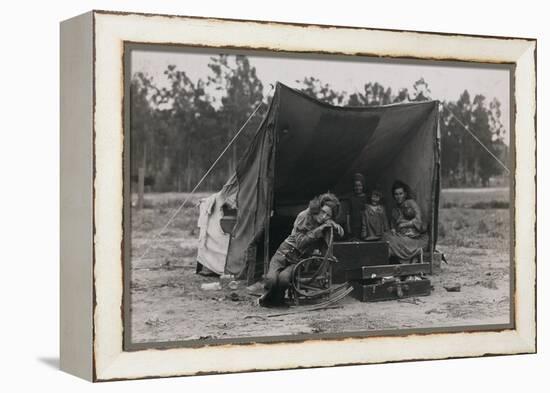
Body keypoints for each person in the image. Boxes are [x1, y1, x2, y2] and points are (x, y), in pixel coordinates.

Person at [259, 193, 344, 308]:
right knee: (271, 280)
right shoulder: (304, 216)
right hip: (283, 252)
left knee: (284, 279)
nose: (324, 217)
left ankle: (279, 301)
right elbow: (301, 242)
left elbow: (326, 243)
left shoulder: (324, 223)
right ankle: (266, 299)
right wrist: (319, 229)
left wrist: (334, 225)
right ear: (318, 208)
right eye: (323, 212)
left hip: (297, 259)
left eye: (328, 215)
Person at [382, 180, 429, 263]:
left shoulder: (411, 204)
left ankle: (415, 252)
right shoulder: (395, 210)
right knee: (385, 237)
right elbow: (393, 223)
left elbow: (419, 221)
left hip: (416, 238)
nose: (398, 196)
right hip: (403, 236)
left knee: (391, 242)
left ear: (405, 194)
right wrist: (393, 229)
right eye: (396, 194)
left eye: (401, 194)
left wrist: (404, 224)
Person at [346, 173, 367, 240]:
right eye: (356, 186)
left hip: (364, 226)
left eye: (360, 185)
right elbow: (348, 213)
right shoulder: (351, 198)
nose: (358, 188)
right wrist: (348, 227)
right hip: (354, 226)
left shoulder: (366, 198)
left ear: (363, 186)